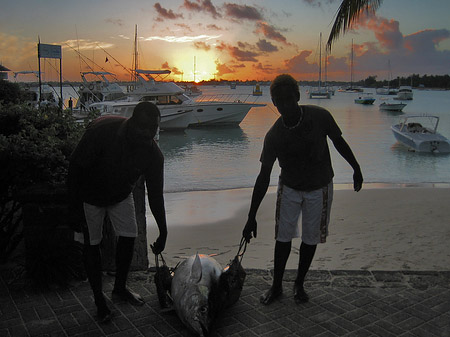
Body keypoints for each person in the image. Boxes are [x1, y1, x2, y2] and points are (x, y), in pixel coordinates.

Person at [242, 74, 363, 305]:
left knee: (310, 237)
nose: (286, 106)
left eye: (289, 99)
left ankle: (299, 283)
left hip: (320, 186)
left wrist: (356, 168)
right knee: (283, 237)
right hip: (289, 187)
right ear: (274, 104)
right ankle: (276, 286)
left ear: (297, 96)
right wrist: (251, 217)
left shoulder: (320, 116)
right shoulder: (274, 136)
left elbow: (339, 141)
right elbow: (263, 176)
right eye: (280, 102)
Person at [67, 101, 168, 322]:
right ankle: (98, 299)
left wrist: (163, 230)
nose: (149, 135)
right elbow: (74, 168)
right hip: (90, 195)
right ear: (131, 123)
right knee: (92, 244)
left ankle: (120, 288)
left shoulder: (153, 155)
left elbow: (156, 195)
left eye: (154, 129)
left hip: (121, 194)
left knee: (129, 236)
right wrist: (74, 211)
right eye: (144, 129)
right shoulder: (101, 131)